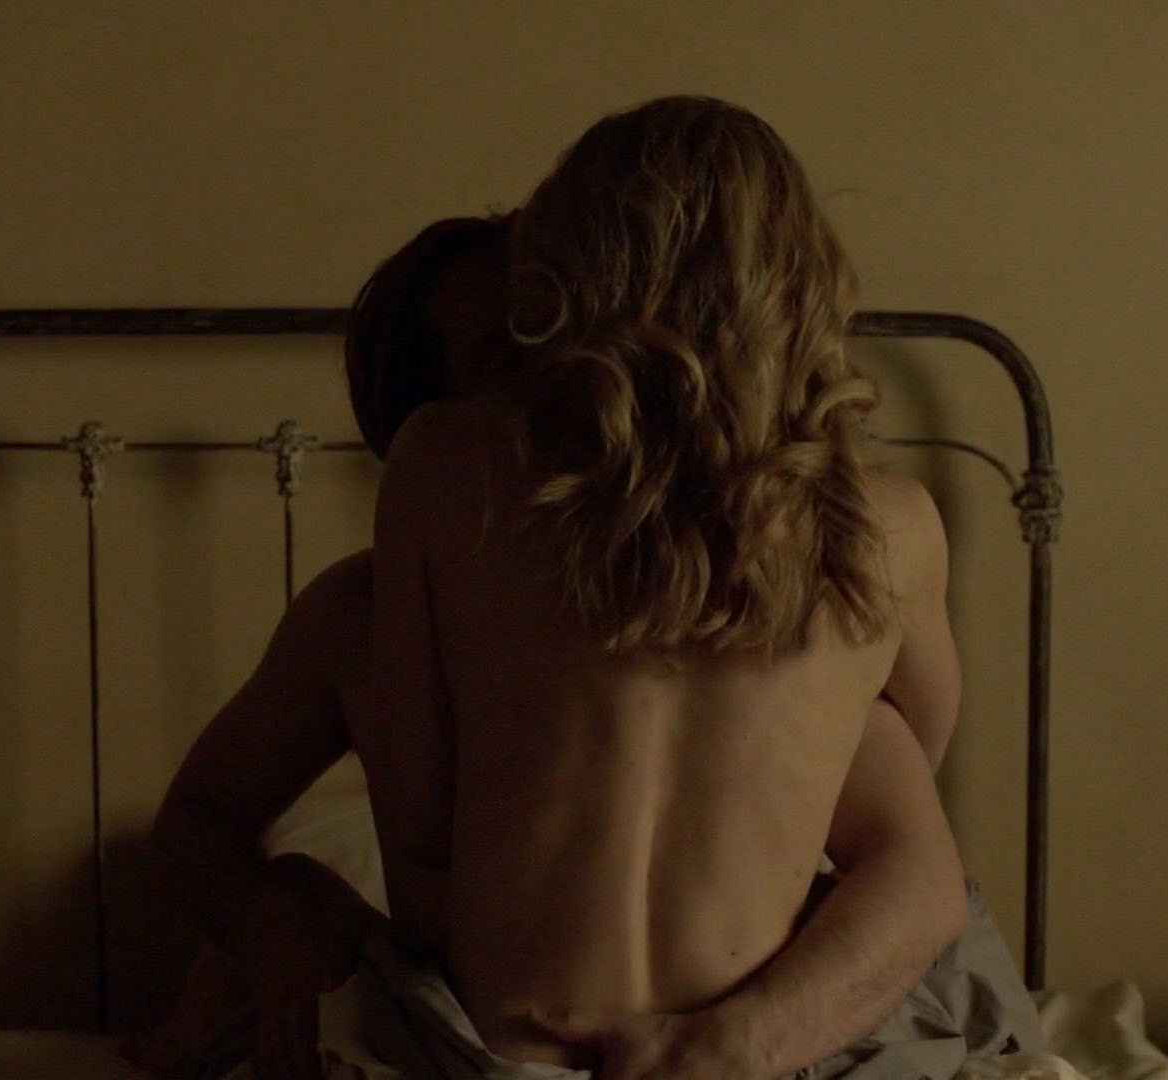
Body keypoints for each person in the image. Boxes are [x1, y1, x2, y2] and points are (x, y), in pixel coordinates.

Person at [147, 162, 1034, 1078]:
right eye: (511, 355)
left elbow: (918, 877)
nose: (567, 373)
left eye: (568, 329)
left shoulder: (744, 602)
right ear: (432, 426)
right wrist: (277, 927)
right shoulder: (360, 613)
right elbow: (194, 828)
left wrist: (742, 1040)